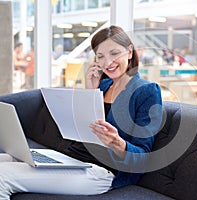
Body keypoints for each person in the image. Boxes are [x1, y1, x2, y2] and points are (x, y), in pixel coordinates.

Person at [0, 25, 163, 198]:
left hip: (102, 172)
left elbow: (143, 159)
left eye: (114, 53)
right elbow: (84, 132)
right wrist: (90, 91)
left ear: (130, 52)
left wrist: (117, 143)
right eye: (100, 56)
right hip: (71, 159)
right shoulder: (103, 85)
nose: (107, 63)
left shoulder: (147, 91)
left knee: (2, 176)